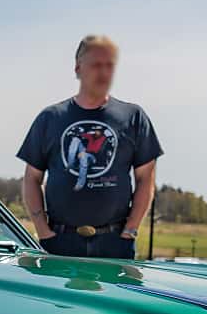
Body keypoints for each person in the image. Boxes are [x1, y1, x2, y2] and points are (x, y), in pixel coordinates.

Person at [17, 34, 163, 259]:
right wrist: (43, 231)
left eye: (109, 65)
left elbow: (146, 179)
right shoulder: (50, 118)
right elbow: (31, 178)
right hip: (60, 242)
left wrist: (130, 231)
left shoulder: (133, 117)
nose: (103, 72)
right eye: (96, 65)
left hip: (115, 244)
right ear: (78, 68)